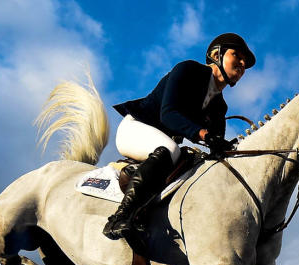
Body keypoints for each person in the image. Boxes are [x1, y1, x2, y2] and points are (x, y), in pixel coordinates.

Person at [102, 33, 255, 240]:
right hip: (136, 128)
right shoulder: (189, 70)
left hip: (163, 144)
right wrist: (204, 135)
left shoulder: (220, 106)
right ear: (216, 54)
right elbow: (169, 114)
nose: (242, 64)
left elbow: (216, 147)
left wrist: (223, 146)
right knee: (170, 151)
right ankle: (120, 218)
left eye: (245, 63)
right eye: (237, 56)